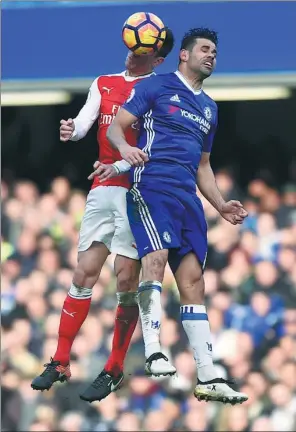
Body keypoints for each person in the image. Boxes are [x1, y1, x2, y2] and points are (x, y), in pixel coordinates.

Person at [103, 27, 249, 404]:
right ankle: (153, 349)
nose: (211, 55)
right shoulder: (157, 86)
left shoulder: (209, 108)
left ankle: (208, 374)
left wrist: (220, 204)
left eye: (215, 51)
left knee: (194, 281)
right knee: (155, 258)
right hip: (153, 185)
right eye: (204, 49)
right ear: (183, 55)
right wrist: (125, 152)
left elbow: (204, 165)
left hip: (188, 197)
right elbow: (118, 129)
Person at [31, 27, 175, 403]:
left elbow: (154, 146)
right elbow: (85, 122)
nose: (132, 53)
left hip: (137, 191)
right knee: (83, 273)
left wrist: (123, 166)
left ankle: (113, 367)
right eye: (131, 46)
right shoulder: (104, 82)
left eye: (141, 51)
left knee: (125, 278)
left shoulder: (160, 90)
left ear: (157, 59)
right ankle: (60, 360)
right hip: (102, 187)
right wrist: (71, 129)